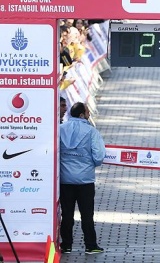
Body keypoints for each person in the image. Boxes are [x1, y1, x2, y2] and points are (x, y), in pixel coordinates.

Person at [59, 102, 106, 255]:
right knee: (87, 214)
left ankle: (66, 245)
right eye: (87, 112)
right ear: (81, 115)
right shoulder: (91, 132)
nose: (89, 114)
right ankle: (90, 245)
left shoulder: (60, 130)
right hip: (85, 180)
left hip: (65, 180)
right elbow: (99, 157)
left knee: (66, 214)